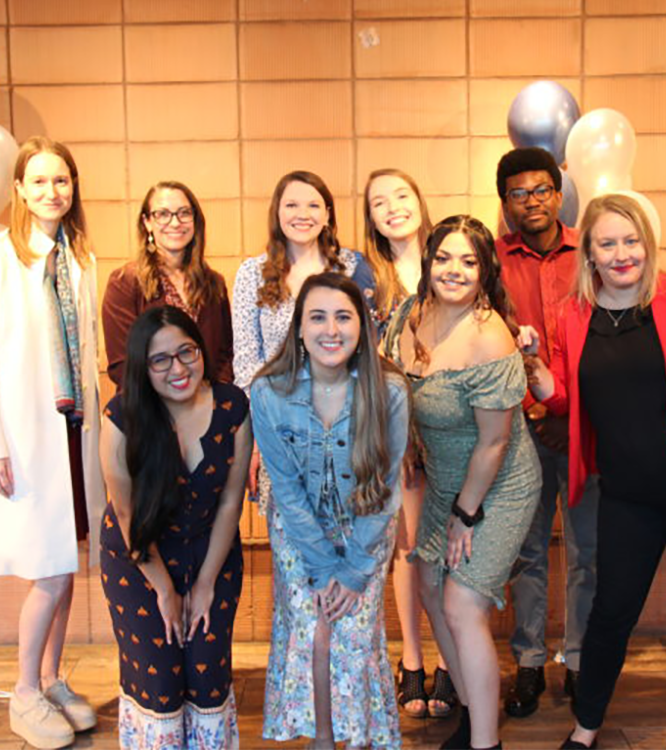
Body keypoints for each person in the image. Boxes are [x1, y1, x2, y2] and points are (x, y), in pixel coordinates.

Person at [383, 216, 541, 750]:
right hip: (446, 477)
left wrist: (465, 514)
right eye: (444, 257)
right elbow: (393, 383)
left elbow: (494, 443)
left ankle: (485, 743)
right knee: (428, 585)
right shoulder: (409, 314)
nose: (454, 270)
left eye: (468, 261)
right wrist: (406, 444)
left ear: (485, 270)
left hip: (498, 484)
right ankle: (472, 714)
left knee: (462, 604)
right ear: (428, 262)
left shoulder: (488, 335)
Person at [519, 194, 666, 750]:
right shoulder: (572, 315)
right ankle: (586, 729)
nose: (622, 253)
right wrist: (531, 367)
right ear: (591, 255)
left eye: (631, 241)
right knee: (610, 614)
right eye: (608, 243)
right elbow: (560, 399)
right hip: (628, 494)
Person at [250, 272, 409, 750]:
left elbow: (386, 487)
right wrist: (322, 567)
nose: (331, 330)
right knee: (311, 628)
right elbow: (286, 489)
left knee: (354, 634)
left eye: (344, 317)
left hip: (366, 522)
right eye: (317, 317)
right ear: (298, 327)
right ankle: (320, 738)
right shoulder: (268, 392)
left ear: (363, 326)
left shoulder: (391, 391)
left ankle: (358, 736)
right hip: (298, 528)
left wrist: (356, 567)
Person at [99, 305, 251, 749]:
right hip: (139, 558)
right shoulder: (123, 417)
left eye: (186, 352)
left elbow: (229, 502)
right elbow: (126, 515)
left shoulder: (232, 405)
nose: (178, 368)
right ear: (143, 368)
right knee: (159, 680)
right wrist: (164, 589)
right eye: (160, 360)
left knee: (208, 673)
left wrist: (204, 583)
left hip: (211, 552)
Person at [0, 136, 106, 749]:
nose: (51, 192)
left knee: (67, 564)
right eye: (38, 181)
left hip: (73, 428)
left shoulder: (79, 257)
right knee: (45, 568)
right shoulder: (7, 257)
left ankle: (51, 677)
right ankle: (23, 692)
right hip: (27, 429)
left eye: (61, 181)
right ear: (19, 189)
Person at [496, 147, 599, 717]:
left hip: (584, 427)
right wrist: (535, 410)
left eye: (541, 190)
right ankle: (529, 663)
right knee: (526, 552)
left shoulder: (590, 248)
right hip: (520, 431)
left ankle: (581, 662)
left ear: (558, 194)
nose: (531, 201)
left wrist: (568, 411)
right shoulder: (492, 261)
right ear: (504, 202)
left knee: (588, 553)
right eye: (519, 193)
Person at [365, 168, 455, 719]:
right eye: (379, 202)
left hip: (454, 423)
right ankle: (414, 662)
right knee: (408, 544)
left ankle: (449, 660)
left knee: (446, 545)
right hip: (400, 428)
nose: (393, 207)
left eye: (401, 195)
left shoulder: (449, 258)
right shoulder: (366, 276)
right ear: (370, 218)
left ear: (419, 201)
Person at [232, 170, 375, 508]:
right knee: (291, 534)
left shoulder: (352, 267)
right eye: (292, 204)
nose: (302, 214)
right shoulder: (252, 273)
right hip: (278, 424)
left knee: (345, 528)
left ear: (327, 214)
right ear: (277, 212)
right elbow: (247, 361)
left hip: (344, 422)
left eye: (313, 205)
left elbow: (367, 348)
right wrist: (256, 437)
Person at [102, 180, 233, 390]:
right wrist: (174, 402)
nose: (175, 223)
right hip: (149, 411)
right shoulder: (124, 283)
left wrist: (212, 401)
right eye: (162, 214)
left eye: (184, 213)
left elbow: (225, 354)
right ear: (146, 222)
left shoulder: (214, 283)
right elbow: (123, 364)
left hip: (207, 408)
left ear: (195, 220)